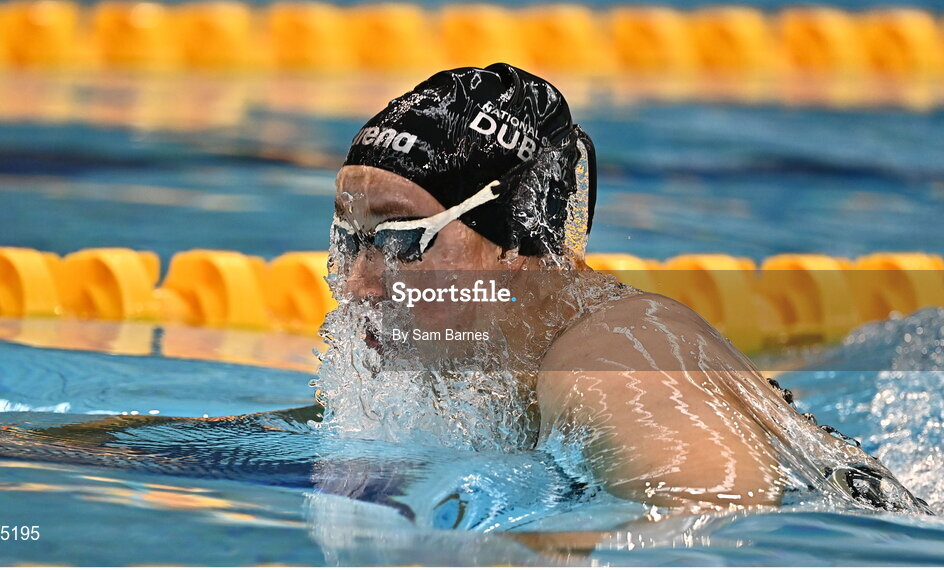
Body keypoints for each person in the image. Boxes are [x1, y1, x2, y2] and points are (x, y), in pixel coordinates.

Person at [326, 63, 929, 514]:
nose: (359, 286)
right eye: (349, 240)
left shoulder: (612, 360)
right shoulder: (507, 366)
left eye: (400, 241)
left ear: (515, 239)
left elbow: (724, 532)